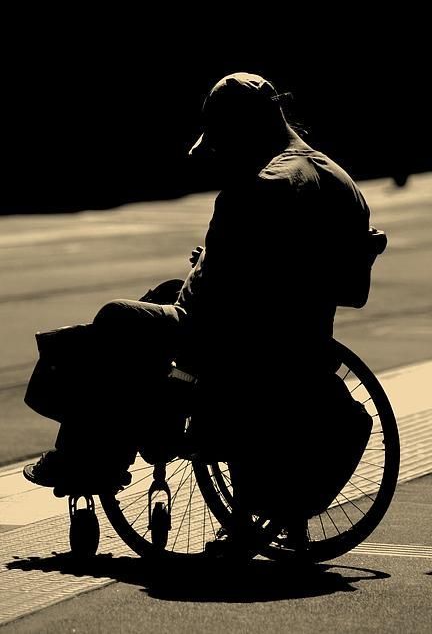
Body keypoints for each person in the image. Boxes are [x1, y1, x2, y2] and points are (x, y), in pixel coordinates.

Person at [23, 72, 373, 551]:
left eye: (224, 142)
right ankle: (92, 452)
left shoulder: (257, 188)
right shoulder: (339, 180)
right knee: (159, 296)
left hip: (228, 338)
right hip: (301, 336)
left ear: (243, 130)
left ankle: (88, 457)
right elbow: (334, 282)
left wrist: (204, 279)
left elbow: (223, 294)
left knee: (114, 319)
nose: (222, 156)